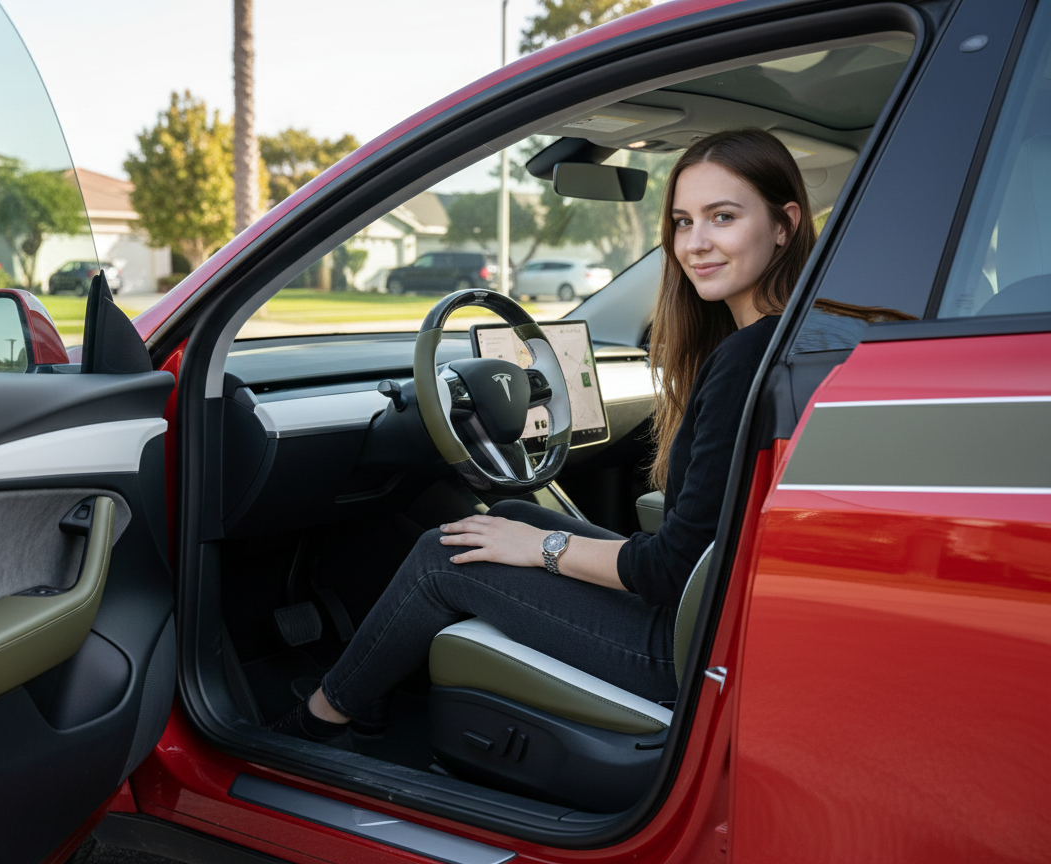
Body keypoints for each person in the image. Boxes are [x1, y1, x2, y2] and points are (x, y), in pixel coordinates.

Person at [270, 127, 817, 745]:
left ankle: (323, 718)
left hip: (681, 650)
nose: (695, 244)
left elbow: (670, 568)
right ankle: (373, 695)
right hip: (723, 618)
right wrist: (529, 537)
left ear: (784, 224)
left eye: (723, 217)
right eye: (682, 222)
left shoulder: (745, 359)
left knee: (440, 557)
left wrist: (543, 548)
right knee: (505, 514)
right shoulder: (795, 340)